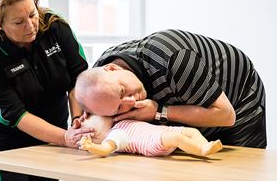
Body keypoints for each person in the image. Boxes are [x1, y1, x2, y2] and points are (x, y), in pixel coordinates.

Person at [0, 0, 93, 181]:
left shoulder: (54, 26)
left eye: (33, 14)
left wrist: (78, 120)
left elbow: (78, 79)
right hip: (4, 134)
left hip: (52, 119)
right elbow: (15, 114)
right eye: (18, 22)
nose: (31, 25)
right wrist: (63, 137)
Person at [75, 29, 266, 149]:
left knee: (238, 170)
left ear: (113, 68)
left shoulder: (172, 61)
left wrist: (159, 112)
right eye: (118, 108)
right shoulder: (100, 81)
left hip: (239, 97)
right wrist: (85, 120)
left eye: (122, 92)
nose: (131, 102)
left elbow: (226, 115)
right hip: (184, 100)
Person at [79, 115, 223, 157]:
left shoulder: (120, 122)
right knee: (177, 138)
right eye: (89, 116)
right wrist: (92, 146)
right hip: (152, 143)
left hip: (161, 133)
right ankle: (201, 151)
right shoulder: (114, 134)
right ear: (94, 132)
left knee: (192, 132)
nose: (86, 115)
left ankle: (205, 146)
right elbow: (105, 150)